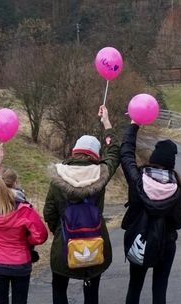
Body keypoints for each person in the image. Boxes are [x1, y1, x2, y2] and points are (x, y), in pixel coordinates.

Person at [44, 105, 120, 304]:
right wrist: (107, 123)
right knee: (91, 292)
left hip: (64, 245)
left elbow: (49, 212)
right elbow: (114, 152)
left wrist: (61, 230)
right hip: (95, 243)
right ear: (95, 156)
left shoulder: (57, 176)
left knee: (59, 289)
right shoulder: (101, 174)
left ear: (74, 152)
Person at [120, 121, 181, 304]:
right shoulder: (177, 188)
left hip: (139, 242)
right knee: (159, 290)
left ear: (153, 158)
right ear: (171, 164)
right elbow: (178, 222)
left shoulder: (138, 180)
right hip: (165, 245)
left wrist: (133, 126)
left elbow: (126, 155)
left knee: (134, 287)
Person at [0, 144, 49, 304]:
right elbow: (41, 236)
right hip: (20, 264)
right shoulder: (25, 210)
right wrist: (26, 240)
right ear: (16, 183)